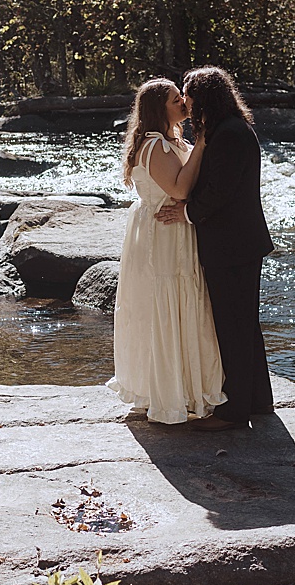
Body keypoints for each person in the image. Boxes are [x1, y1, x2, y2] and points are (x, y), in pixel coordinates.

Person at [156, 65, 275, 430]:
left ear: (205, 96)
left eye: (189, 94)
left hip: (232, 244)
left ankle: (235, 411)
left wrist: (186, 212)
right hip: (240, 242)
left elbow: (219, 193)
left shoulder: (229, 135)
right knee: (244, 323)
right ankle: (258, 400)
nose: (186, 101)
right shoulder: (229, 129)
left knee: (232, 326)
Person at [108, 78, 225, 426]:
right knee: (166, 307)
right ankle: (169, 394)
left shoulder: (171, 140)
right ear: (160, 108)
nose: (184, 105)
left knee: (179, 306)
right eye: (177, 100)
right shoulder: (154, 145)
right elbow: (180, 186)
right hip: (164, 234)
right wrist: (202, 144)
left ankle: (186, 388)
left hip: (174, 230)